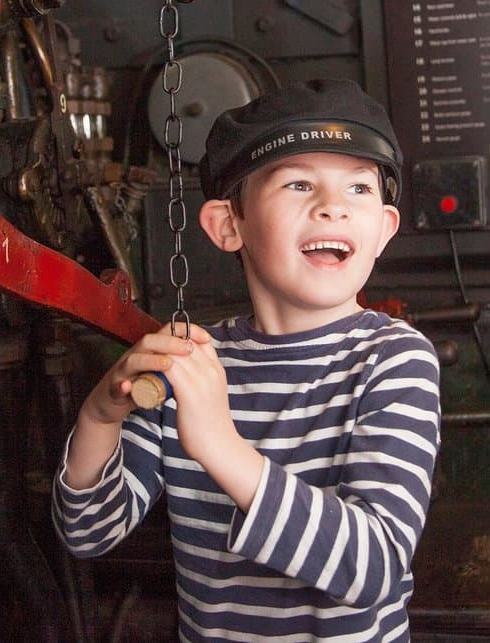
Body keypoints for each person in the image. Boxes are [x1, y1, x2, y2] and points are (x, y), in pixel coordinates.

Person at [52, 79, 441, 641]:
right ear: (228, 225)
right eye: (299, 183)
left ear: (383, 230)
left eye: (359, 189)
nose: (333, 206)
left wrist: (217, 443)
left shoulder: (394, 359)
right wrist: (99, 417)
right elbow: (88, 532)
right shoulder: (194, 363)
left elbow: (372, 567)